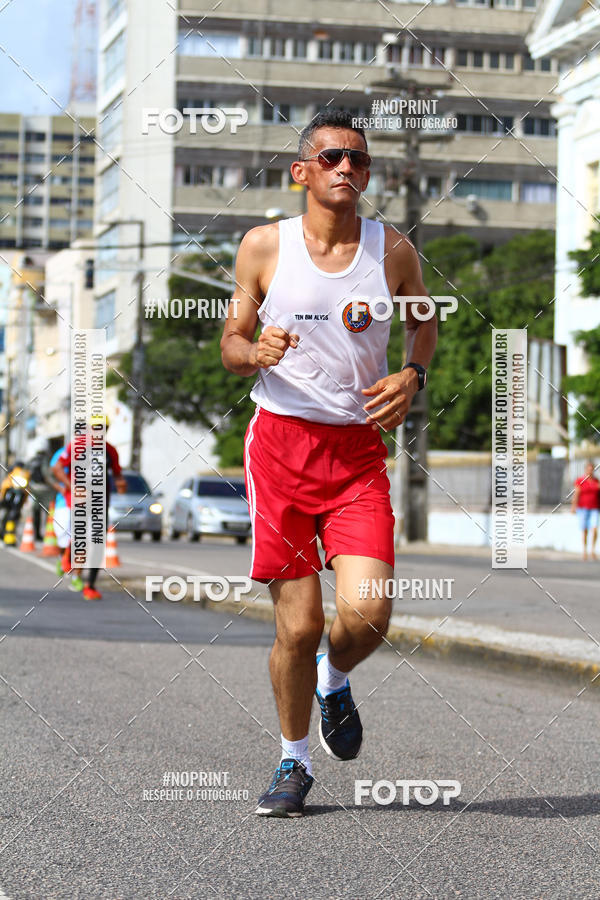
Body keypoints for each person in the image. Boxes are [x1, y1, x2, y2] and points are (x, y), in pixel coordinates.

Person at [220, 109, 437, 817]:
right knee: (299, 624)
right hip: (280, 449)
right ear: (302, 171)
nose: (348, 167)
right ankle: (294, 761)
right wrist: (253, 351)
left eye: (359, 159)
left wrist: (413, 374)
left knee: (369, 614)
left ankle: (333, 680)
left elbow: (425, 320)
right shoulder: (264, 246)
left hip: (356, 454)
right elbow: (231, 340)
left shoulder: (392, 248)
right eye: (333, 156)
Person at [52, 416, 126, 599]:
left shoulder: (110, 450)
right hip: (80, 501)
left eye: (104, 428)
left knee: (98, 543)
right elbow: (57, 468)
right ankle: (70, 561)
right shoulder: (77, 446)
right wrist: (72, 487)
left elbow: (117, 473)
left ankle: (90, 586)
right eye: (96, 427)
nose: (100, 431)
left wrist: (120, 483)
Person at [49, 444, 84, 591]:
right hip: (64, 502)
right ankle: (62, 557)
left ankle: (76, 576)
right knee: (63, 534)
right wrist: (62, 487)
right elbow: (50, 475)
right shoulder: (62, 452)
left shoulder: (97, 452)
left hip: (85, 504)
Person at [571, 460, 599, 560]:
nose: (590, 471)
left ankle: (593, 550)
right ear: (586, 470)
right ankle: (584, 551)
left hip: (595, 508)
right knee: (585, 530)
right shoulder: (580, 480)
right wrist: (573, 506)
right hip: (583, 508)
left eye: (592, 469)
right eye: (588, 469)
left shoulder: (597, 481)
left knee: (594, 529)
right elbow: (576, 494)